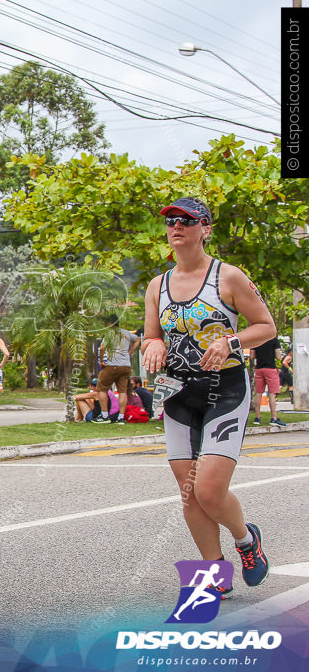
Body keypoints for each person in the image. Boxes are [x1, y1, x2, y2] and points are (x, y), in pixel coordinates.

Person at [143, 197, 274, 593]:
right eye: (171, 221)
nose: (176, 227)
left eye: (187, 220)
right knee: (189, 496)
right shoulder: (157, 285)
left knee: (209, 490)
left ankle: (247, 541)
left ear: (205, 228)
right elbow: (151, 334)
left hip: (226, 390)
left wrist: (232, 342)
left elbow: (265, 326)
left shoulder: (228, 277)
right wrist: (153, 346)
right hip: (179, 393)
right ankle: (215, 574)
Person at [91, 318, 139, 423]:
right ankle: (121, 417)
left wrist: (101, 361)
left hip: (111, 365)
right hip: (125, 366)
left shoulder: (109, 333)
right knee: (122, 391)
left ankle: (104, 416)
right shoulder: (126, 333)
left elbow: (102, 347)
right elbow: (138, 339)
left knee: (101, 389)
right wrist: (129, 351)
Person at [251, 335, 286, 426]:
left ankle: (257, 418)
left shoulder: (257, 339)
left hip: (259, 369)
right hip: (270, 369)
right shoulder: (274, 340)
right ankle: (274, 418)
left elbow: (252, 356)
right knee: (272, 393)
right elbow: (278, 356)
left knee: (258, 393)